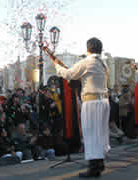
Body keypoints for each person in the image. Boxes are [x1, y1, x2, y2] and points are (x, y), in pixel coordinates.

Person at [52, 37, 110, 178]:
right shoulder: (103, 64)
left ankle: (94, 168)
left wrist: (57, 66)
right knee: (100, 134)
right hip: (103, 101)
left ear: (88, 48)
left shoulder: (87, 62)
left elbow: (69, 74)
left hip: (92, 102)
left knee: (91, 134)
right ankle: (99, 162)